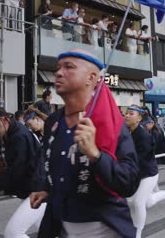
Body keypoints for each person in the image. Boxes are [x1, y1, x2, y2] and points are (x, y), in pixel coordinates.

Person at [28, 49, 140, 238]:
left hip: (105, 229)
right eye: (58, 68)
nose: (59, 72)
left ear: (91, 77)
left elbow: (128, 183)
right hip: (60, 226)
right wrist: (46, 189)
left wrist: (95, 155)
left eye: (69, 67)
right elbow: (52, 165)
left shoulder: (112, 123)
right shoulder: (53, 121)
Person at [125, 106, 165, 238]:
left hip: (149, 173)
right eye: (126, 113)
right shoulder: (126, 131)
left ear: (139, 118)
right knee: (146, 202)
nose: (127, 115)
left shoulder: (143, 135)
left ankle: (137, 233)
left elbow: (141, 159)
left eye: (131, 113)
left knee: (138, 203)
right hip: (137, 173)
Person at [2, 109, 47, 238]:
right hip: (41, 188)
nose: (29, 127)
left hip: (45, 187)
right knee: (44, 229)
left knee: (13, 232)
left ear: (37, 119)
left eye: (30, 124)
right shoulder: (37, 136)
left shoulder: (51, 135)